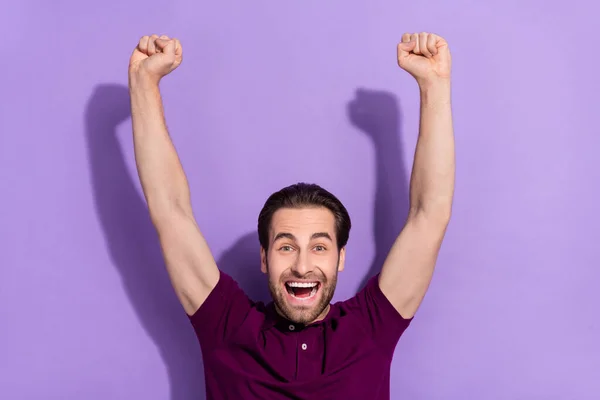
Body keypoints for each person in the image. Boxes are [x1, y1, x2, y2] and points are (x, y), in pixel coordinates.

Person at [127, 31, 454, 399]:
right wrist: (143, 82)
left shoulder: (369, 328)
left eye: (319, 247)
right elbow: (169, 210)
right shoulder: (227, 326)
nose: (302, 266)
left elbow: (430, 215)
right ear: (264, 257)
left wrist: (434, 85)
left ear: (339, 257)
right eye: (286, 247)